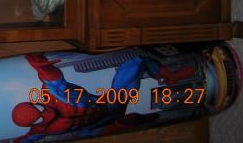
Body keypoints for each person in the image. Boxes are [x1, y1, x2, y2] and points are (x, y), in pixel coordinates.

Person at [11, 52, 195, 142]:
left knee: (136, 62)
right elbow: (24, 140)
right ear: (33, 125)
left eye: (39, 110)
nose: (45, 115)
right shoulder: (41, 131)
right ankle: (149, 120)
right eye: (38, 119)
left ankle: (170, 76)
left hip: (109, 105)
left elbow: (52, 80)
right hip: (99, 127)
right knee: (124, 123)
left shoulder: (55, 95)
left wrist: (43, 68)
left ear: (36, 102)